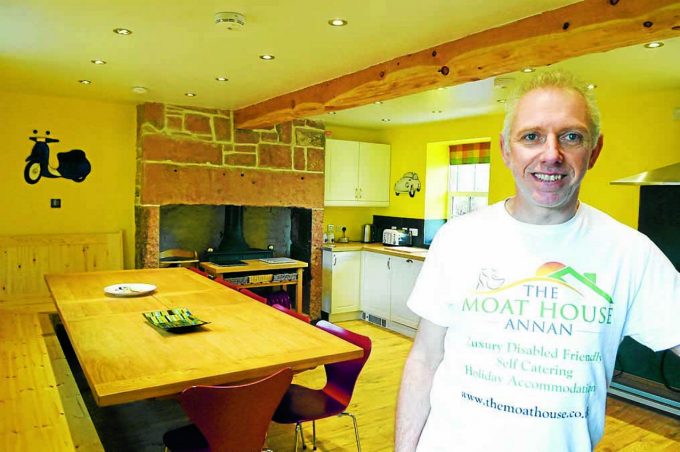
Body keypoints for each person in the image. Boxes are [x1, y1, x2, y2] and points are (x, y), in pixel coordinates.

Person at [395, 70, 680, 451]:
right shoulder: (458, 238)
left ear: (594, 151)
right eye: (532, 136)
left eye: (571, 137)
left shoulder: (630, 253)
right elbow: (425, 359)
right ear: (505, 150)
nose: (551, 154)